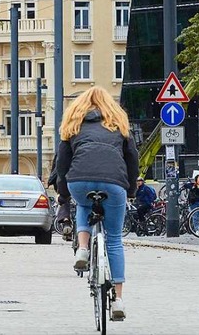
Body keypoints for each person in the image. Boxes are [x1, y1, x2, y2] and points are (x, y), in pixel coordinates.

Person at [56, 86, 139, 321]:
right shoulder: (119, 126)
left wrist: (64, 194)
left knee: (83, 205)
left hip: (79, 181)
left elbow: (62, 165)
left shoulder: (73, 126)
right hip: (114, 183)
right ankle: (118, 300)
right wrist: (130, 189)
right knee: (113, 239)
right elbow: (132, 160)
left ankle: (82, 249)